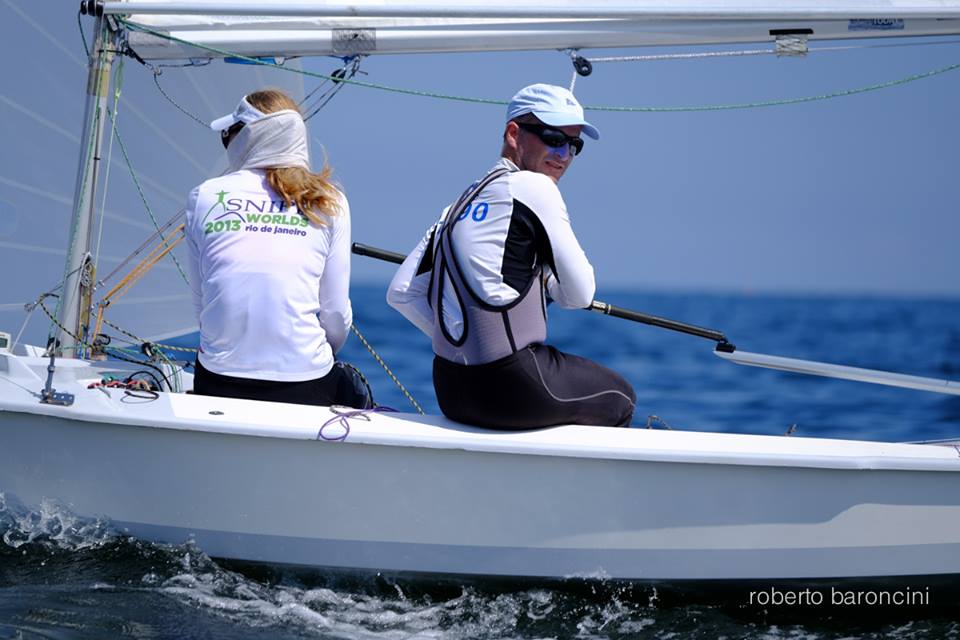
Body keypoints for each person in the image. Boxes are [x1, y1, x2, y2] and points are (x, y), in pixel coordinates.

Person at [387, 83, 635, 429]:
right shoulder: (536, 187)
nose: (564, 154)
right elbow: (580, 295)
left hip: (450, 389)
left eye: (573, 145)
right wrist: (549, 283)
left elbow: (402, 293)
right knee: (621, 396)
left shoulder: (459, 204)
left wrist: (469, 344)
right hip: (510, 389)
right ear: (514, 134)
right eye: (553, 138)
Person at [185, 89, 371, 408]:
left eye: (229, 134)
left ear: (250, 137)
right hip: (307, 382)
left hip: (218, 378)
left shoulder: (204, 196)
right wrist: (301, 357)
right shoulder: (330, 202)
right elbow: (336, 314)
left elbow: (202, 304)